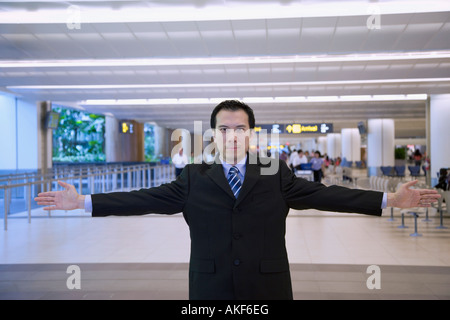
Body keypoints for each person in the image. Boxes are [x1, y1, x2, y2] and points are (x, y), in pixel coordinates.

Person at [35, 100, 440, 300]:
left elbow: (325, 194)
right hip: (210, 286)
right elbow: (145, 198)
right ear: (213, 135)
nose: (232, 135)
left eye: (240, 128)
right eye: (224, 129)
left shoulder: (274, 171)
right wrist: (84, 202)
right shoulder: (193, 177)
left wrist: (389, 199)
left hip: (267, 286)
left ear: (251, 134)